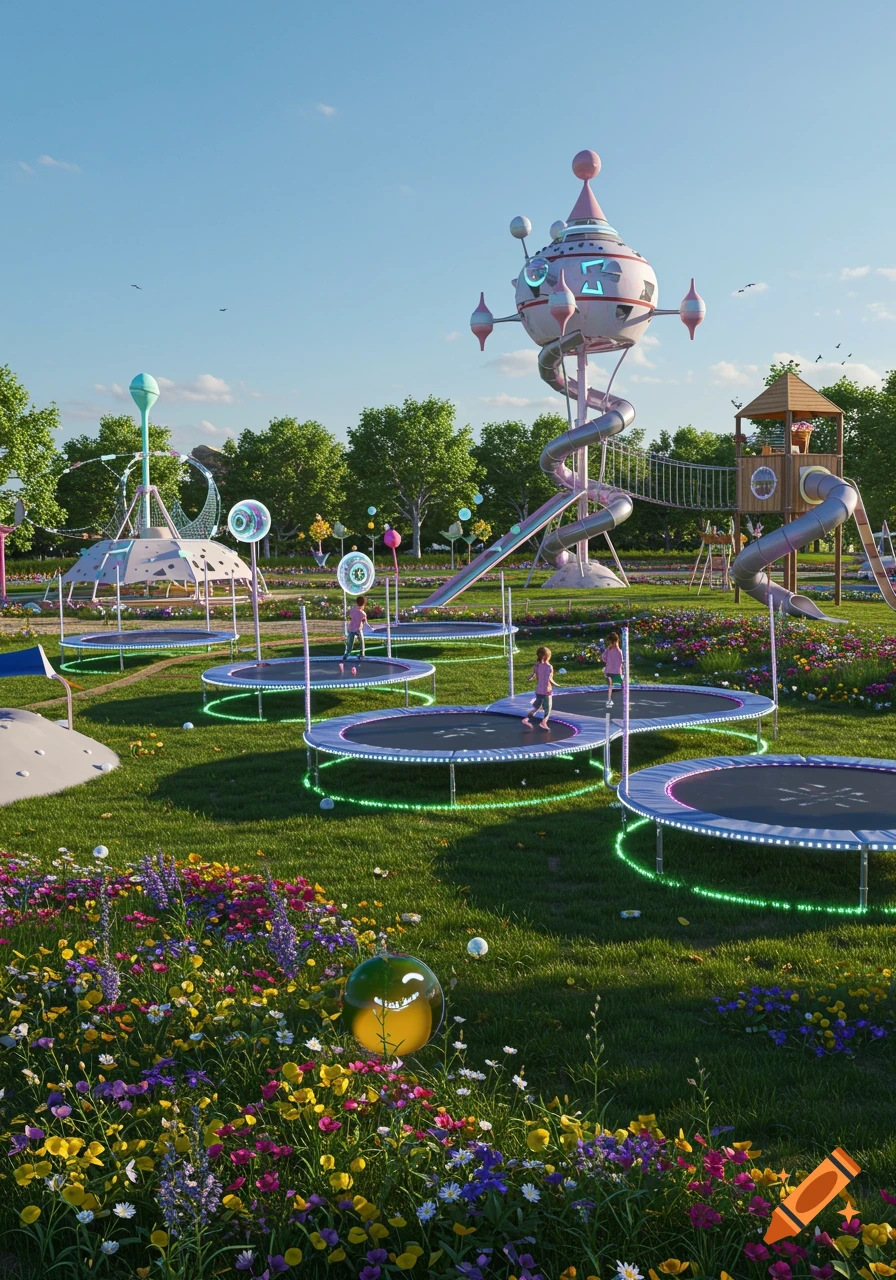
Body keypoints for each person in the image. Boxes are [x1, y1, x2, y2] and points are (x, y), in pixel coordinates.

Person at [522, 645, 554, 730]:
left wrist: (530, 678)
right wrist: (556, 684)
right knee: (548, 709)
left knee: (537, 707)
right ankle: (544, 722)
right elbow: (549, 679)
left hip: (539, 691)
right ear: (547, 656)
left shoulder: (537, 665)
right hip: (547, 691)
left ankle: (526, 719)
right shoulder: (549, 667)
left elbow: (533, 675)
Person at [342, 595, 368, 663]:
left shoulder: (353, 610)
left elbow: (346, 614)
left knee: (350, 643)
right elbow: (364, 622)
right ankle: (362, 654)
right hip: (358, 629)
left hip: (351, 629)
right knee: (361, 642)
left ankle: (346, 654)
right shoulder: (363, 613)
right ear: (363, 604)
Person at [602, 631, 623, 706]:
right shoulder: (619, 651)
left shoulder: (608, 650)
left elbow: (603, 657)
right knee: (622, 684)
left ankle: (609, 700)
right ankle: (622, 698)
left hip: (609, 671)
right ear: (617, 641)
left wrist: (607, 661)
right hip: (616, 672)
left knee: (610, 686)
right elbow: (621, 661)